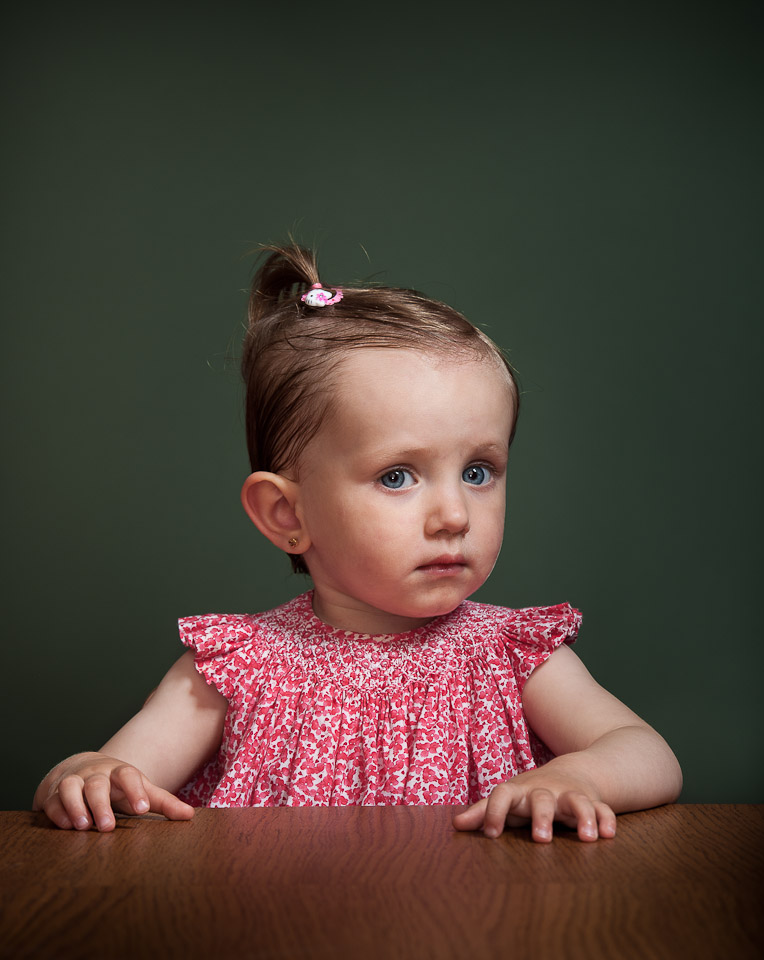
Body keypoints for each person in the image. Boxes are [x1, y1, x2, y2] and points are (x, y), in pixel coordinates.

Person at [33, 244, 682, 841]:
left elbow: (647, 752)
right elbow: (111, 772)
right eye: (397, 476)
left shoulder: (511, 656)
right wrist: (84, 773)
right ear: (286, 513)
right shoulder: (239, 668)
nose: (454, 514)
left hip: (475, 914)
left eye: (478, 471)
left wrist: (580, 776)